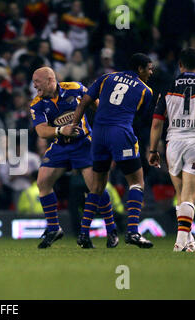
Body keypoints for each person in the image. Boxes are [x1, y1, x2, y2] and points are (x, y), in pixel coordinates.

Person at [66, 53, 155, 249]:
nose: (151, 72)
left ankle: (83, 234)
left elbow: (84, 102)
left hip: (98, 134)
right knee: (137, 183)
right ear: (139, 69)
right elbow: (139, 118)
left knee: (97, 187)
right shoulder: (145, 90)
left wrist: (73, 125)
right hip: (121, 133)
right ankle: (132, 231)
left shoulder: (106, 78)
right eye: (149, 68)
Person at [30, 66, 119, 249]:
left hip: (84, 144)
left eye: (37, 81)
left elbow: (96, 104)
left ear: (49, 80)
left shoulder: (75, 88)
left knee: (96, 187)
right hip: (60, 146)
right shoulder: (36, 103)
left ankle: (111, 230)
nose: (34, 86)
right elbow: (41, 131)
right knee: (43, 182)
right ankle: (54, 228)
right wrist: (60, 130)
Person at [149, 48, 195, 252]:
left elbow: (157, 122)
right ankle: (179, 242)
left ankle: (189, 242)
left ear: (180, 65)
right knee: (189, 195)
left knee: (180, 194)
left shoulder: (169, 86)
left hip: (173, 142)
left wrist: (152, 150)